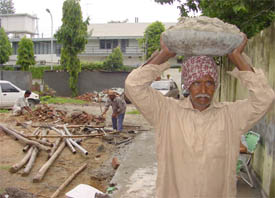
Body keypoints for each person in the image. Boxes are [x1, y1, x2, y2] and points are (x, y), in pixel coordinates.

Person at [124, 33, 275, 198]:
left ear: (215, 85)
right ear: (188, 84)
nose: (203, 91)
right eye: (196, 83)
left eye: (209, 83)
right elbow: (133, 86)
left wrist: (237, 58)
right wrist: (164, 54)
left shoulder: (231, 116)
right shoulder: (166, 112)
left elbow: (265, 98)